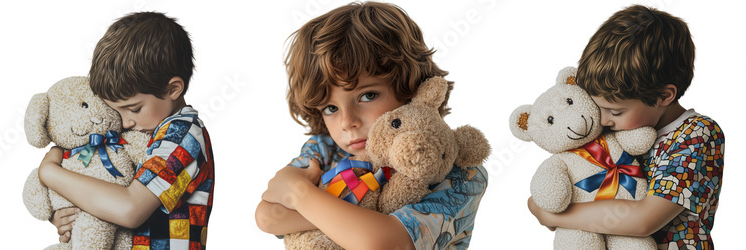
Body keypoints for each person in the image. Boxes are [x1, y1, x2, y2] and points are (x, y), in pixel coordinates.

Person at [254, 2, 488, 249]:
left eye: (367, 96)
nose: (347, 122)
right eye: (330, 108)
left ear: (413, 89)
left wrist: (299, 190)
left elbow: (385, 244)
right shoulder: (324, 150)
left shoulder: (459, 172)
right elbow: (268, 218)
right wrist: (358, 224)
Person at [528, 5, 723, 250]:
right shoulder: (610, 132)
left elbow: (642, 220)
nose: (604, 120)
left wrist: (555, 215)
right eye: (598, 108)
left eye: (616, 111)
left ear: (664, 96)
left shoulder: (697, 134)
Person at [38, 12, 214, 249]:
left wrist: (50, 173)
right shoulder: (143, 129)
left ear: (173, 89)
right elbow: (104, 192)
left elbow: (129, 209)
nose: (125, 122)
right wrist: (67, 212)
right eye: (116, 111)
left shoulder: (182, 134)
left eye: (134, 108)